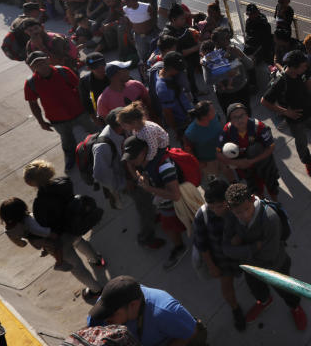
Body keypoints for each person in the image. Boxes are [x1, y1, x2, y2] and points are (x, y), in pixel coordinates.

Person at [222, 183, 307, 330]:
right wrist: (255, 247)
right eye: (238, 212)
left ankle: (295, 307)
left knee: (286, 290)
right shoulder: (230, 216)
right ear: (230, 209)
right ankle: (264, 301)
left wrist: (240, 249)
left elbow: (270, 253)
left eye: (247, 209)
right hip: (251, 268)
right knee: (256, 289)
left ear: (253, 198)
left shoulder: (270, 218)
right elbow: (226, 249)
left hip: (276, 265)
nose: (244, 215)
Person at [22, 161, 107, 302]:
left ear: (32, 183)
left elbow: (44, 226)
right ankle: (97, 260)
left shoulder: (39, 204)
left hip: (62, 238)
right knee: (80, 241)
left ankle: (96, 290)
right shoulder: (64, 182)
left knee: (76, 267)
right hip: (75, 225)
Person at [122, 133, 203, 270]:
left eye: (133, 157)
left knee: (176, 226)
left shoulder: (164, 166)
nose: (132, 161)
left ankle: (182, 248)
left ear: (144, 151)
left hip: (176, 203)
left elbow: (175, 195)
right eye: (129, 158)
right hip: (166, 203)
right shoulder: (145, 160)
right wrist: (140, 177)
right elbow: (132, 165)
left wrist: (149, 188)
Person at [91, 108, 164, 250]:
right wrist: (123, 184)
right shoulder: (103, 147)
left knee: (149, 199)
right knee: (144, 207)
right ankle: (146, 238)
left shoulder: (122, 131)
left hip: (134, 173)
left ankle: (152, 216)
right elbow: (100, 174)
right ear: (119, 125)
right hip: (127, 181)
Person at [24, 52, 99, 170]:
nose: (40, 65)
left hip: (80, 112)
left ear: (48, 59)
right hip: (58, 120)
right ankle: (71, 157)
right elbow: (33, 104)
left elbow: (81, 89)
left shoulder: (64, 71)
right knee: (67, 140)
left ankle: (102, 147)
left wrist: (91, 110)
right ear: (31, 67)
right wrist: (41, 121)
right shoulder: (31, 83)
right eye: (36, 64)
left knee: (95, 131)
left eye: (42, 61)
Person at [260, 49, 311, 175]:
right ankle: (308, 163)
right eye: (303, 66)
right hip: (296, 121)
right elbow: (264, 101)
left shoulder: (302, 72)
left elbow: (307, 81)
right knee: (302, 144)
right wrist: (285, 112)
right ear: (293, 67)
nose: (306, 67)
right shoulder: (281, 82)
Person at [87, 275, 208, 345]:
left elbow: (192, 333)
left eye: (112, 315)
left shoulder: (166, 311)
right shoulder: (105, 307)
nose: (106, 320)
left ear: (133, 305)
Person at [192, 178, 247, 332]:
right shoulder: (202, 215)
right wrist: (211, 266)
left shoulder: (240, 208)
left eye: (220, 206)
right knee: (227, 286)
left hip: (244, 256)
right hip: (222, 261)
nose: (216, 211)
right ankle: (235, 309)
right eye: (212, 206)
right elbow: (202, 244)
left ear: (228, 201)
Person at [216, 103, 280, 200]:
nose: (239, 120)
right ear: (230, 120)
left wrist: (251, 161)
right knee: (254, 189)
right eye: (235, 117)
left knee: (271, 183)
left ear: (247, 115)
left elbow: (270, 147)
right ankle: (262, 203)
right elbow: (218, 153)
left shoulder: (258, 126)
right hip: (244, 167)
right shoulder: (227, 130)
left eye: (242, 115)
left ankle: (276, 203)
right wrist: (236, 163)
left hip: (263, 162)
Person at [204, 28, 251, 114]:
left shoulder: (235, 50)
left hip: (242, 89)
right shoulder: (209, 58)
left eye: (228, 37)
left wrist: (241, 55)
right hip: (225, 95)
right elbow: (208, 80)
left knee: (247, 114)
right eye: (224, 39)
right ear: (215, 42)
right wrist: (226, 75)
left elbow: (250, 65)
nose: (228, 40)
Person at [161, 5, 200, 94]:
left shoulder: (180, 26)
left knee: (191, 78)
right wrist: (196, 48)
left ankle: (195, 91)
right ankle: (193, 98)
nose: (184, 20)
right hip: (181, 65)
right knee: (186, 85)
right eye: (182, 19)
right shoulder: (168, 35)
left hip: (190, 62)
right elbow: (177, 53)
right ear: (174, 20)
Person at [154, 51, 194, 136]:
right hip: (183, 122)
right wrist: (176, 131)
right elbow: (168, 113)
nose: (181, 71)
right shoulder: (164, 88)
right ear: (170, 68)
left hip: (190, 114)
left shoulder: (165, 72)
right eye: (179, 69)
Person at [183, 101, 223, 178]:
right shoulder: (190, 133)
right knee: (215, 183)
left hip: (223, 155)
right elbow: (188, 151)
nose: (215, 111)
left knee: (230, 175)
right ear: (204, 117)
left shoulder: (216, 116)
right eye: (212, 110)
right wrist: (198, 163)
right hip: (208, 163)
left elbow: (222, 131)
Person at [121, 0, 156, 74]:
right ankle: (146, 74)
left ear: (135, 0)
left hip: (151, 35)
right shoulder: (125, 9)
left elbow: (154, 20)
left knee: (155, 54)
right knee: (142, 56)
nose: (125, 2)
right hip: (138, 36)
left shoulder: (147, 7)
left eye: (127, 0)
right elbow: (128, 23)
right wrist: (130, 36)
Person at [78, 52, 110, 127]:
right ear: (88, 68)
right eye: (95, 67)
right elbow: (86, 101)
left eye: (102, 65)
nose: (100, 68)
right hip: (104, 116)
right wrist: (95, 119)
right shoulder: (85, 82)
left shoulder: (114, 72)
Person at [243, 3, 273, 67]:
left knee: (251, 63)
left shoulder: (264, 24)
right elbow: (248, 35)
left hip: (261, 48)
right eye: (249, 14)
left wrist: (254, 54)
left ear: (257, 13)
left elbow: (266, 42)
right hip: (252, 45)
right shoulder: (248, 21)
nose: (250, 16)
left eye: (252, 14)